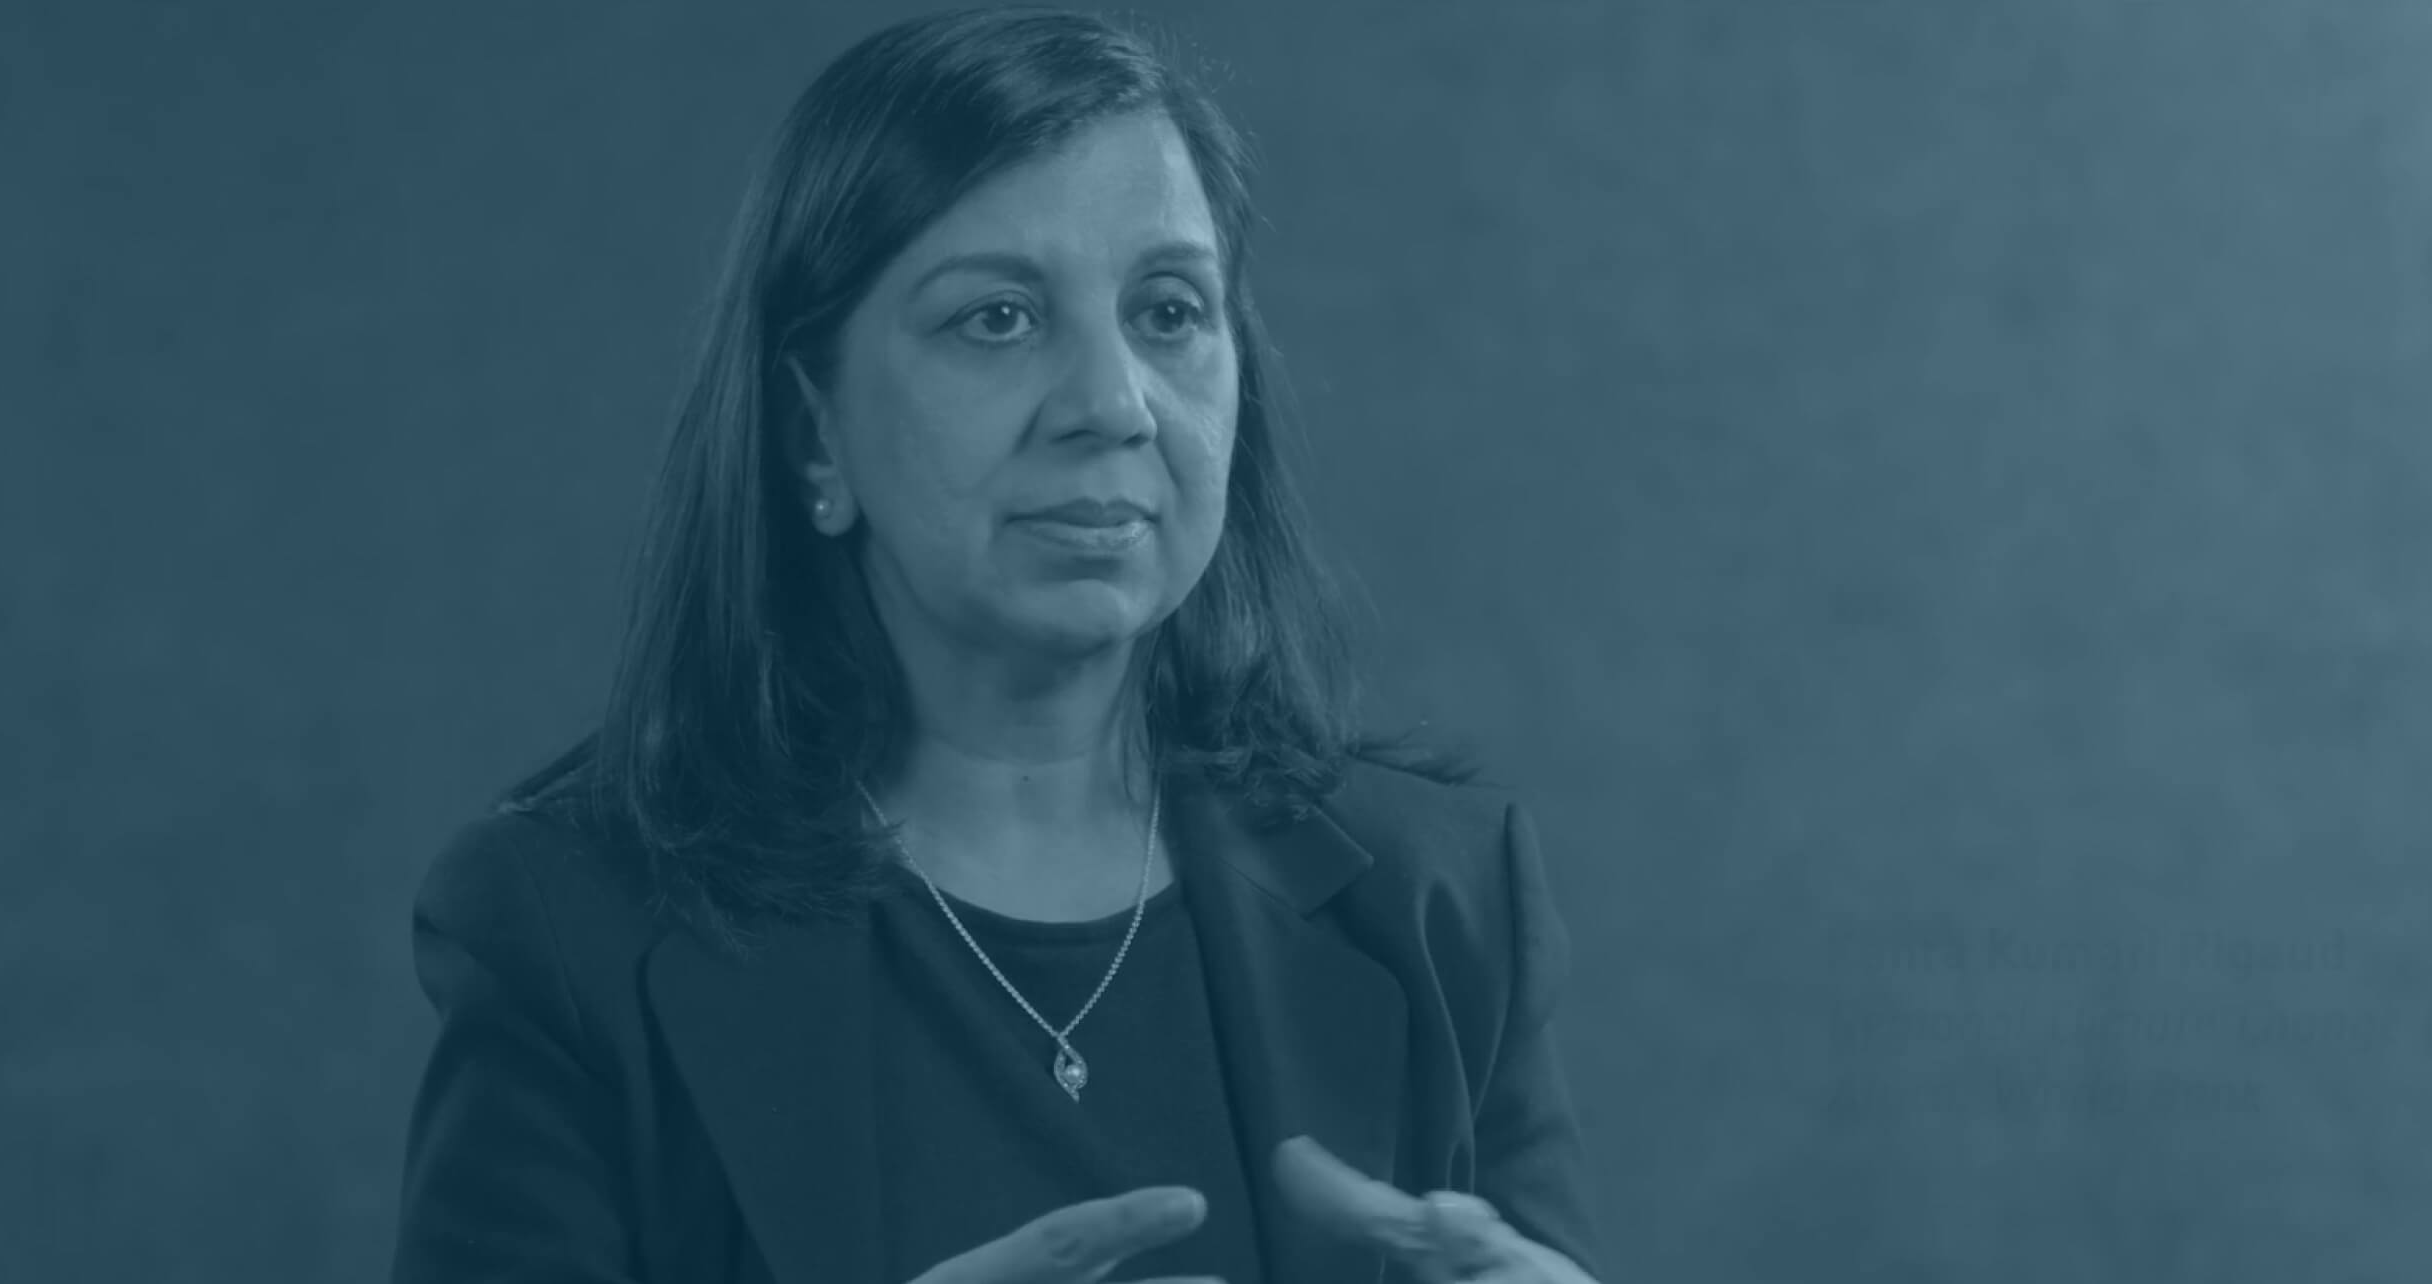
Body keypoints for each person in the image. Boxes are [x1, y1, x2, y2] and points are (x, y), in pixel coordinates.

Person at [389, 8, 1604, 1282]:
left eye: (1168, 311)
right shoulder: (567, 927)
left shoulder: (1437, 899)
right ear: (812, 433)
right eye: (998, 320)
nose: (1111, 405)